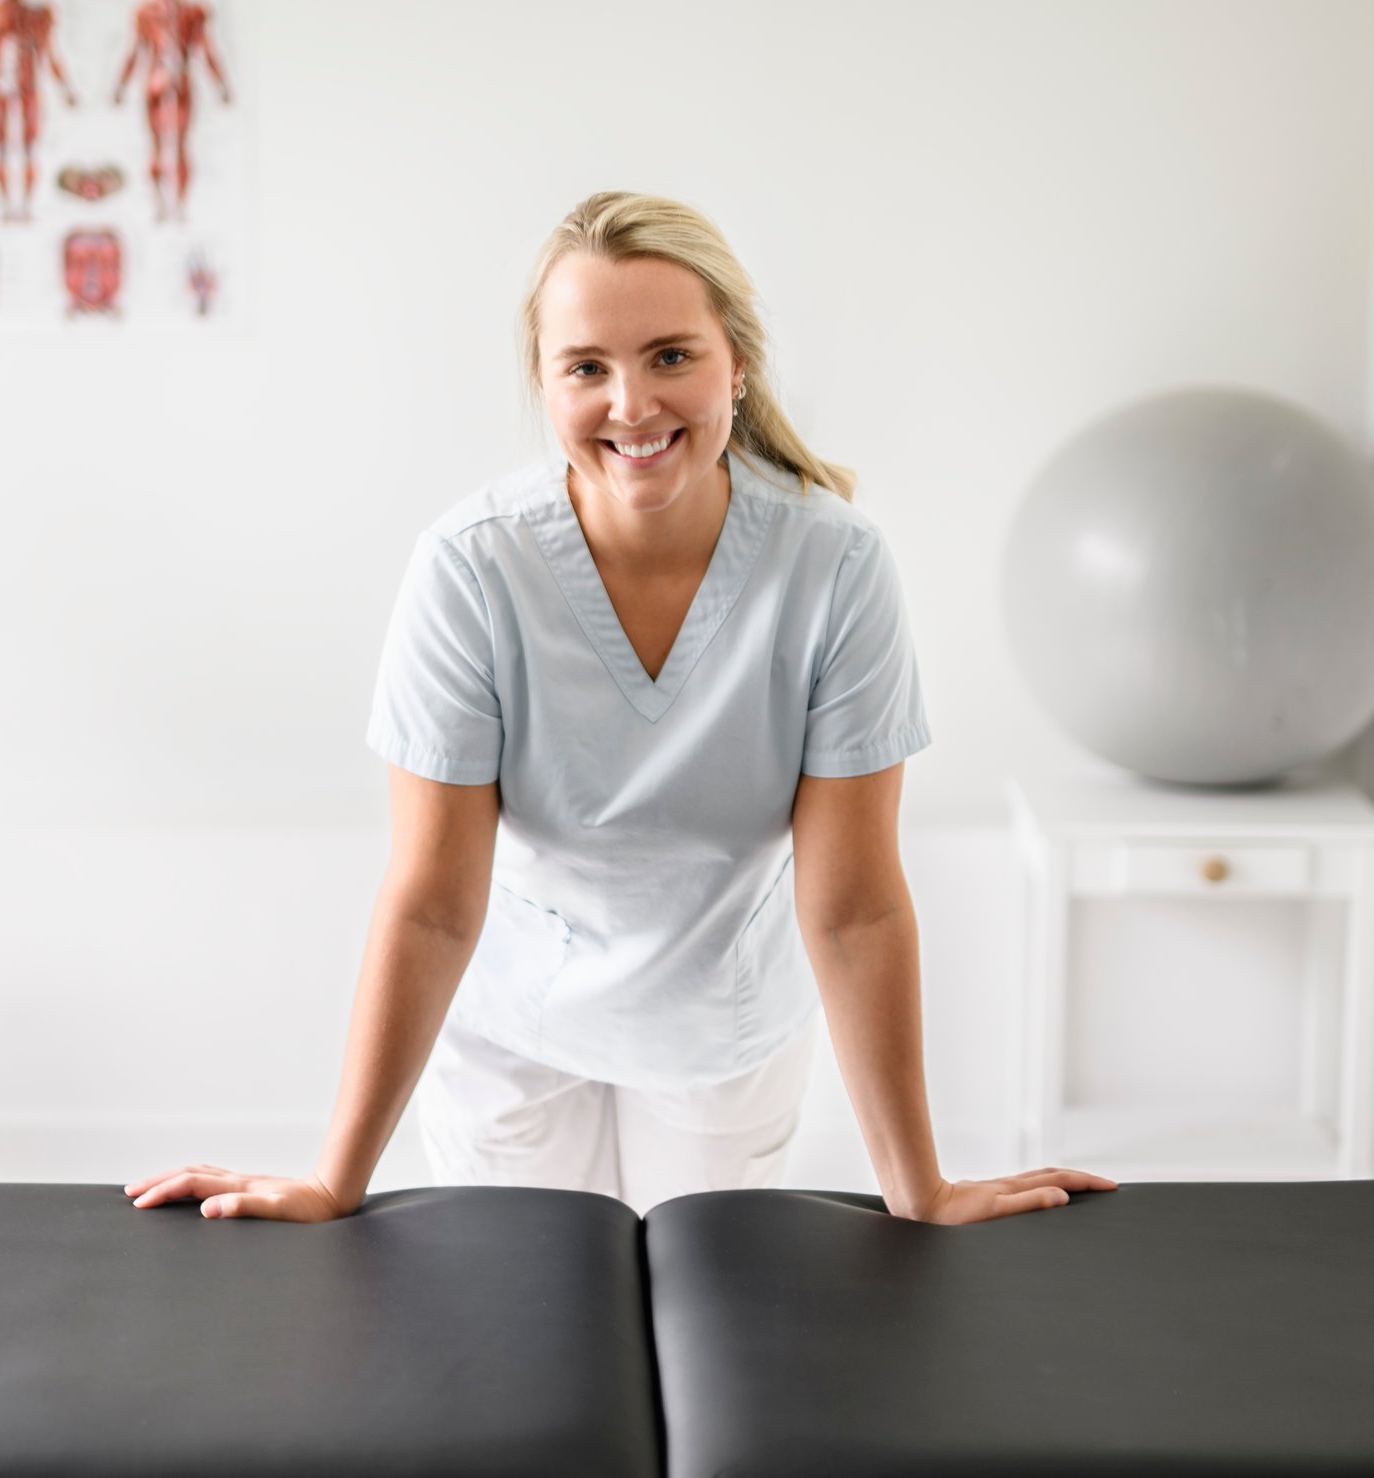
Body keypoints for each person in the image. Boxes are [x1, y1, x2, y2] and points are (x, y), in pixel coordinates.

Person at [126, 192, 1116, 1224]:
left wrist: (919, 1193)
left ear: (738, 362)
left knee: (706, 1341)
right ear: (546, 385)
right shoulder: (472, 569)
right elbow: (431, 900)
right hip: (513, 1039)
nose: (632, 404)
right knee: (527, 1348)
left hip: (719, 1046)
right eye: (588, 367)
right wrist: (336, 1179)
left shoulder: (835, 566)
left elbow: (854, 906)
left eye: (671, 356)